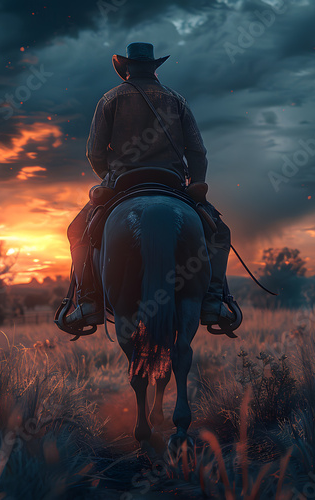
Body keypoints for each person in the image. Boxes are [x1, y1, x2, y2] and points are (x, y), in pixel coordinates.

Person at [65, 42, 233, 329]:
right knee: (219, 232)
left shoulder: (109, 99)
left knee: (77, 231)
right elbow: (197, 151)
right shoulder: (176, 99)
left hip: (123, 183)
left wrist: (110, 175)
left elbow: (94, 152)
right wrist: (196, 182)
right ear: (154, 68)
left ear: (126, 69)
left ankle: (88, 302)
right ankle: (214, 300)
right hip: (172, 182)